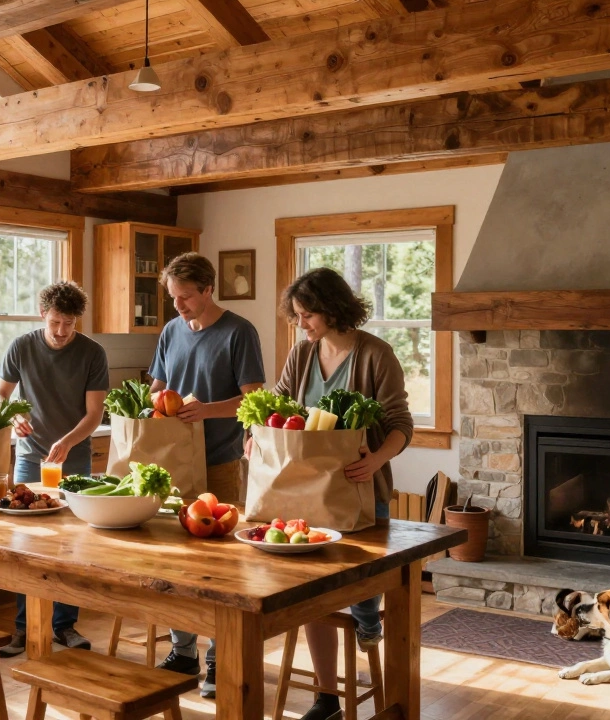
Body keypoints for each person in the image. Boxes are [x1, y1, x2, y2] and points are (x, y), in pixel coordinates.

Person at [272, 267, 414, 720]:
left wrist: (375, 461)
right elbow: (278, 405)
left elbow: (399, 424)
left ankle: (367, 612)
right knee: (312, 595)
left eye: (307, 314)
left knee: (361, 590)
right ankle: (325, 698)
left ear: (333, 309)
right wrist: (258, 434)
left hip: (359, 490)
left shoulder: (376, 355)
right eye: (296, 316)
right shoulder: (301, 353)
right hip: (305, 494)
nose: (301, 324)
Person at [149, 252, 265, 698]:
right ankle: (183, 652)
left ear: (208, 289)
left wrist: (207, 410)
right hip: (173, 462)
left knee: (220, 568)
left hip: (218, 459)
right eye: (173, 298)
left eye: (185, 298)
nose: (178, 306)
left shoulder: (239, 331)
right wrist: (148, 401)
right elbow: (159, 386)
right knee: (175, 562)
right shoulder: (171, 331)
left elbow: (253, 400)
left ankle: (220, 659)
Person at [0, 281, 108, 658]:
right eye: (56, 322)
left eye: (69, 324)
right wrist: (14, 416)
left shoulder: (92, 353)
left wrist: (68, 441)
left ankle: (64, 626)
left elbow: (94, 415)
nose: (61, 332)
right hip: (30, 457)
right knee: (29, 547)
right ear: (43, 314)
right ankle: (24, 629)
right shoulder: (21, 347)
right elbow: (0, 395)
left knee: (71, 548)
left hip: (74, 461)